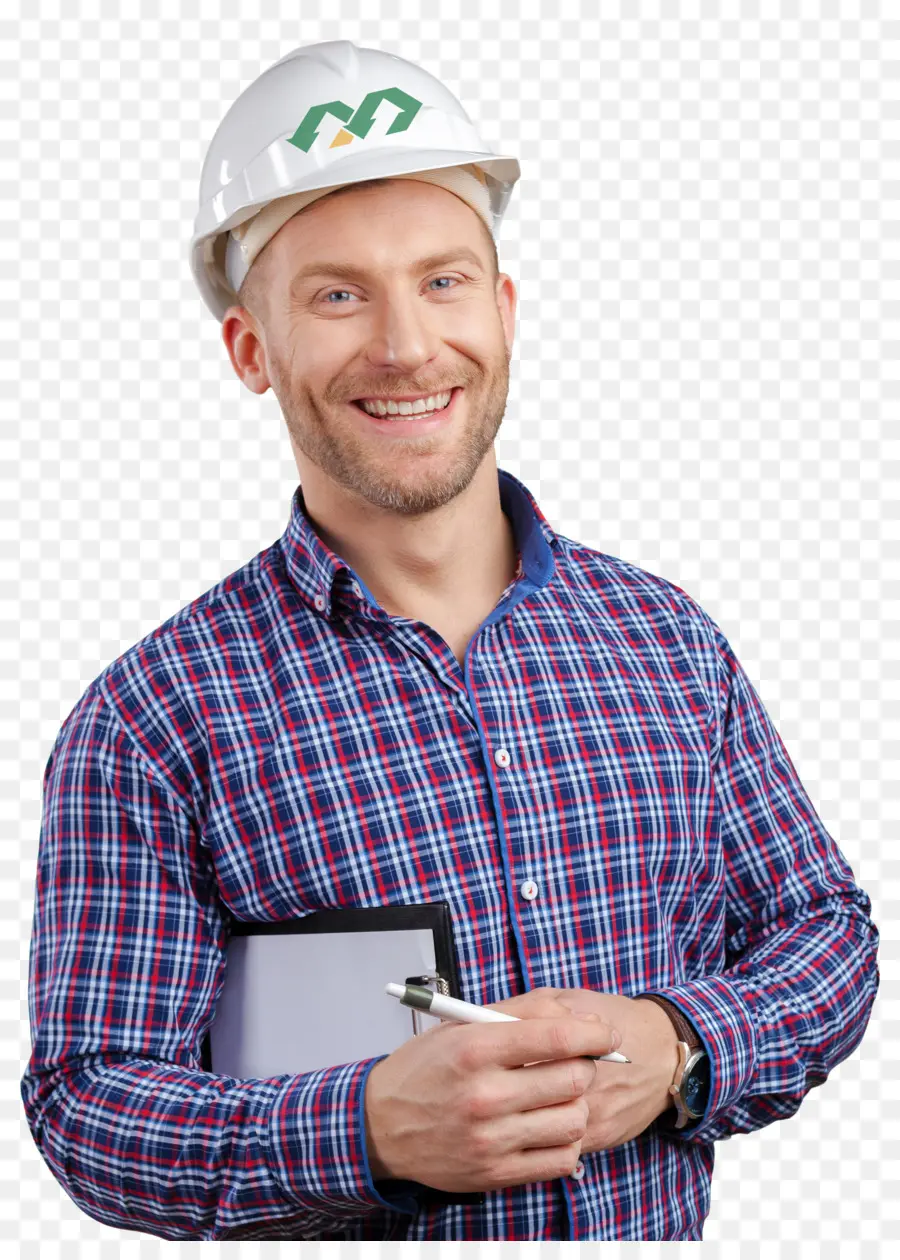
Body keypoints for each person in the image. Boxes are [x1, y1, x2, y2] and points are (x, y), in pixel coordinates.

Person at [20, 39, 879, 1244]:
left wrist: (681, 1046)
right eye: (336, 294)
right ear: (250, 351)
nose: (408, 347)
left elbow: (823, 935)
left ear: (504, 309)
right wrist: (364, 1125)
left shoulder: (668, 643)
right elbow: (88, 1107)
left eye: (442, 282)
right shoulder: (156, 718)